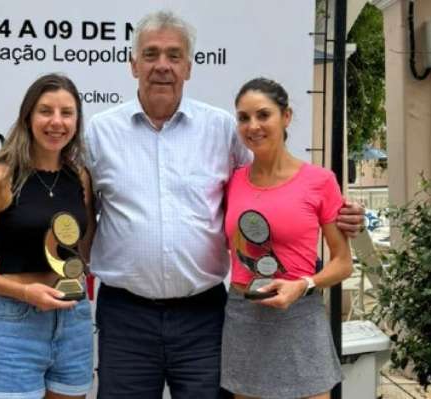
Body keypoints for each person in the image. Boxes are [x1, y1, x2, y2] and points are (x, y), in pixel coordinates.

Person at [83, 10, 364, 399]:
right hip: (126, 317)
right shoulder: (99, 132)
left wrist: (339, 212)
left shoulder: (221, 129)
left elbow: (271, 190)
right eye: (150, 54)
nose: (162, 65)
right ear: (133, 65)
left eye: (173, 55)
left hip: (204, 317)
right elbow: (74, 207)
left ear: (189, 67)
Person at [0, 73, 95, 399]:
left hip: (73, 320)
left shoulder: (80, 177)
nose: (56, 122)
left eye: (66, 113)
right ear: (28, 116)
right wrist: (24, 291)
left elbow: (83, 249)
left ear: (77, 121)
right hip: (15, 323)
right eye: (46, 111)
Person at [220, 78, 353, 399]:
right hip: (245, 314)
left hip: (299, 315)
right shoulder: (233, 180)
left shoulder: (319, 181)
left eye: (263, 115)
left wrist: (304, 284)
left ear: (287, 116)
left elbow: (343, 263)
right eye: (243, 118)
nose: (253, 126)